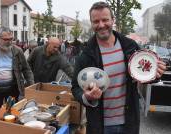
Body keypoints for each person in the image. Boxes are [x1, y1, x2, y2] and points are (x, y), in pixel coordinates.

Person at [71, 2, 166, 134]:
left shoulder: (130, 46)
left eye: (105, 20)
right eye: (96, 21)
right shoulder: (86, 55)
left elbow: (143, 75)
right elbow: (75, 87)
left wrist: (155, 75)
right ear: (92, 23)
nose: (101, 25)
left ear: (113, 20)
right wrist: (87, 97)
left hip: (128, 123)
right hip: (99, 126)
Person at [0, 27, 34, 118]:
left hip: (13, 89)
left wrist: (31, 86)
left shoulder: (17, 51)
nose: (9, 42)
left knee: (13, 114)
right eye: (6, 39)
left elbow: (26, 69)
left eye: (11, 39)